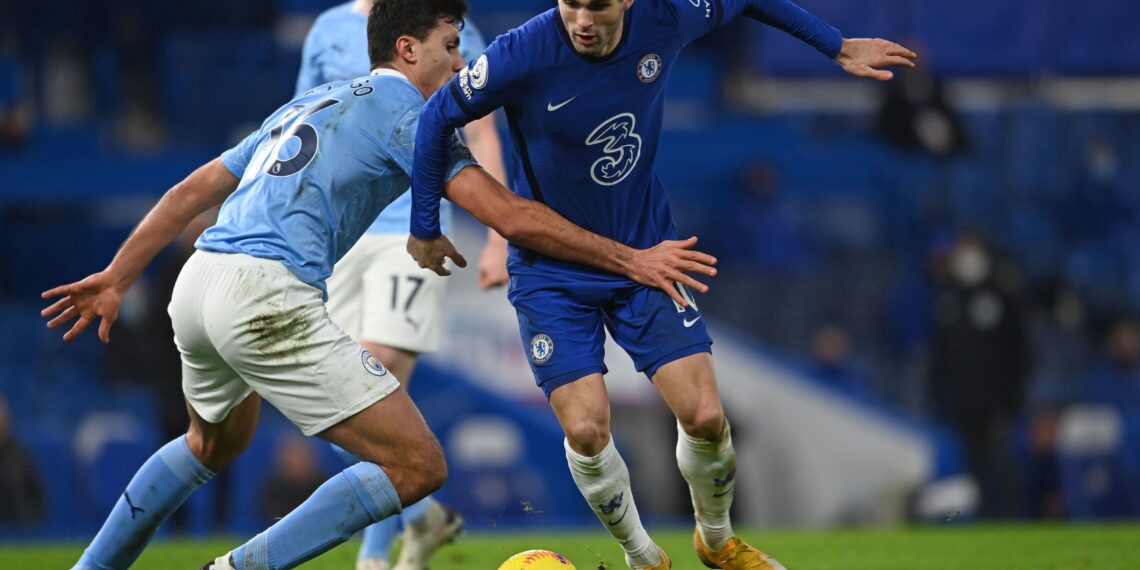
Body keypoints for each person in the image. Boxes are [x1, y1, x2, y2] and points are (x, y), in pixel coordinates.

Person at [40, 1, 717, 569]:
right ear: (407, 48)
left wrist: (118, 277)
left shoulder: (310, 100)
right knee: (418, 466)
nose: (461, 63)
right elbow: (510, 216)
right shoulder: (414, 119)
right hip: (264, 295)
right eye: (450, 46)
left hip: (198, 283)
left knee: (210, 444)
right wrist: (631, 260)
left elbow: (191, 191)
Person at [408, 1, 916, 568]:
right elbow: (435, 118)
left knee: (704, 415)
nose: (582, 20)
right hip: (551, 271)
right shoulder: (519, 53)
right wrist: (424, 227)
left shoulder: (669, 15)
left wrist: (836, 45)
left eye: (597, 6)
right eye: (571, 3)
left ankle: (717, 541)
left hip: (649, 257)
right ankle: (642, 556)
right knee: (586, 428)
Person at [295, 2, 510, 567]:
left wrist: (498, 238)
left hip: (412, 228)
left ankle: (374, 555)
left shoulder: (448, 30)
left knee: (378, 372)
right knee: (339, 399)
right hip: (344, 233)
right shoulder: (326, 30)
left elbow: (482, 132)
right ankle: (421, 517)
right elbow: (308, 126)